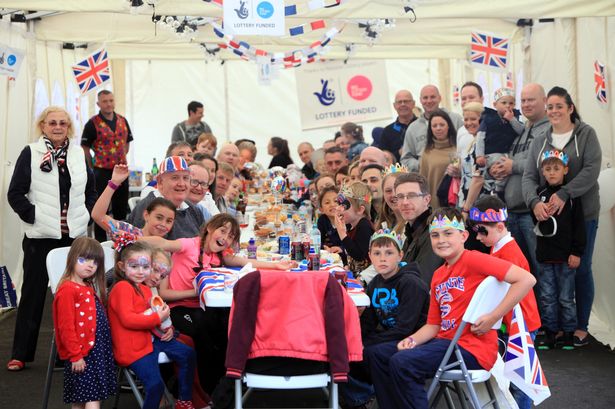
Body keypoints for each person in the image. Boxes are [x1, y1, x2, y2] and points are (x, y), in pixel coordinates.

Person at [366, 207, 535, 409]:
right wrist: (411, 339)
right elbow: (434, 325)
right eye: (435, 235)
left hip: (471, 348)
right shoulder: (438, 275)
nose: (441, 240)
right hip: (444, 344)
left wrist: (493, 317)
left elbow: (526, 279)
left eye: (448, 233)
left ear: (463, 236)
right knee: (376, 353)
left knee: (403, 362)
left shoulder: (474, 259)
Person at [143, 214, 295, 393]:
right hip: (179, 308)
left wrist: (276, 266)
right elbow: (163, 244)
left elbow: (246, 262)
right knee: (203, 332)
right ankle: (207, 389)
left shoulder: (219, 256)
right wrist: (131, 237)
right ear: (209, 228)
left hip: (203, 307)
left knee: (229, 326)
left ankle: (228, 382)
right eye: (222, 231)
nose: (225, 238)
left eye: (230, 236)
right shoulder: (189, 245)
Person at [7, 106, 97, 372]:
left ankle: (67, 353)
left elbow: (90, 190)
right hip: (40, 237)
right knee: (33, 296)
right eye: (52, 123)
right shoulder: (31, 153)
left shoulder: (79, 155)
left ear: (68, 127)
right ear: (43, 126)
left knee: (71, 298)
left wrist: (86, 215)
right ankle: (20, 353)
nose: (57, 127)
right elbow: (15, 193)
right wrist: (34, 216)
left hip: (73, 238)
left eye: (62, 123)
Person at [522, 86, 601, 347]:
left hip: (582, 215)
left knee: (580, 268)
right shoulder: (540, 139)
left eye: (559, 106)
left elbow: (591, 169)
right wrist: (533, 201)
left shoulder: (586, 134)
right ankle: (555, 327)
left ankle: (580, 326)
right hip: (547, 223)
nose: (554, 111)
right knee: (549, 274)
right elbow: (529, 177)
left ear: (570, 108)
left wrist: (566, 193)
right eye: (551, 107)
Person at [468, 196, 541, 409]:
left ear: (500, 226)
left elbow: (514, 290)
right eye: (476, 231)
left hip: (521, 324)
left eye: (483, 231)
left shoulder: (509, 252)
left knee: (520, 381)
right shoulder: (498, 246)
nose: (478, 237)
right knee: (514, 378)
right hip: (513, 322)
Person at [107, 240, 196, 409]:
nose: (142, 272)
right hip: (133, 349)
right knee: (155, 386)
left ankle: (184, 401)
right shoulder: (123, 288)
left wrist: (168, 328)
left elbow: (152, 316)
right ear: (122, 267)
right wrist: (158, 318)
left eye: (145, 267)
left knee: (188, 354)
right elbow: (129, 319)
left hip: (150, 340)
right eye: (135, 266)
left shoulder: (144, 288)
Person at [489, 83, 550, 279]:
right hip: (513, 212)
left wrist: (511, 166)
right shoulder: (521, 130)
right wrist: (497, 169)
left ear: (544, 101)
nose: (526, 104)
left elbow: (542, 163)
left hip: (532, 213)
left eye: (531, 99)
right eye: (523, 100)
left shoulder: (549, 129)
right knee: (520, 271)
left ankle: (542, 311)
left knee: (541, 270)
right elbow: (510, 158)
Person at [362, 229, 429, 407]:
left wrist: (369, 342)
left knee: (374, 352)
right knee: (354, 351)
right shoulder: (375, 282)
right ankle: (361, 398)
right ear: (370, 256)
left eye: (389, 253)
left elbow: (405, 328)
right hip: (393, 336)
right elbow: (368, 323)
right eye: (377, 253)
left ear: (400, 255)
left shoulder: (411, 283)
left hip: (416, 339)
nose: (382, 258)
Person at [52, 237, 116, 408]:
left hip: (95, 352)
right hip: (83, 354)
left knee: (82, 398)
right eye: (83, 259)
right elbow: (66, 327)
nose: (90, 265)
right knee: (90, 398)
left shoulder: (86, 285)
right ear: (72, 258)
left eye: (95, 262)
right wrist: (75, 355)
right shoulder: (67, 290)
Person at [533, 150, 585, 349]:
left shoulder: (572, 197)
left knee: (565, 297)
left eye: (556, 168)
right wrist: (539, 213)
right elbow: (536, 224)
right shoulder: (539, 196)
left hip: (566, 257)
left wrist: (576, 252)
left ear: (566, 170)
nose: (552, 173)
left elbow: (579, 226)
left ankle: (569, 333)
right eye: (548, 169)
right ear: (543, 172)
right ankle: (551, 333)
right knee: (547, 296)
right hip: (546, 256)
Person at [81, 90, 133, 242]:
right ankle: (101, 242)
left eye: (111, 100)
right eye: (105, 101)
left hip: (121, 172)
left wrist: (121, 155)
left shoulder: (123, 120)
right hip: (101, 172)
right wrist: (91, 165)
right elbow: (85, 147)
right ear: (98, 104)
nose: (109, 104)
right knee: (100, 210)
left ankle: (122, 240)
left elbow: (127, 142)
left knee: (121, 209)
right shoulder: (92, 123)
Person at [128, 156, 204, 240]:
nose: (182, 184)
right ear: (160, 182)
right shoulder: (149, 207)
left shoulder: (193, 209)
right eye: (175, 178)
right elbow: (143, 248)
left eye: (185, 178)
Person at [93, 164, 177, 238]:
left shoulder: (169, 243)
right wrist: (114, 183)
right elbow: (98, 216)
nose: (163, 224)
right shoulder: (130, 233)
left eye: (169, 221)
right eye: (159, 217)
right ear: (146, 215)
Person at [401, 85, 464, 172]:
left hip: (453, 177)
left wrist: (456, 165)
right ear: (420, 100)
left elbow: (465, 148)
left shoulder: (456, 119)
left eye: (433, 97)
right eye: (425, 98)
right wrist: (424, 164)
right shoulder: (413, 128)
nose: (429, 101)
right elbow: (406, 159)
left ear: (440, 98)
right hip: (427, 179)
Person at [475, 88, 524, 198]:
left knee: (507, 167)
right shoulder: (488, 118)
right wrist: (479, 155)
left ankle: (497, 189)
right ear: (495, 104)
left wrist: (512, 120)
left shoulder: (515, 118)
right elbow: (480, 137)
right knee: (502, 166)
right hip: (491, 153)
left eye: (511, 103)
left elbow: (521, 131)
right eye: (504, 103)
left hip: (506, 153)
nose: (508, 106)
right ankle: (497, 190)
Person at [394, 173, 442, 284]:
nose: (405, 202)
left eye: (411, 196)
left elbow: (422, 281)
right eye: (400, 197)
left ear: (427, 199)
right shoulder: (412, 230)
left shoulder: (435, 232)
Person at [334, 182, 375, 279]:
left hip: (365, 280)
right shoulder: (351, 226)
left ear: (360, 210)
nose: (338, 208)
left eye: (344, 206)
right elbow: (348, 252)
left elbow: (359, 255)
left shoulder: (364, 226)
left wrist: (342, 234)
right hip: (354, 275)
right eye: (339, 204)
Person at [418, 109, 457, 208]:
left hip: (456, 200)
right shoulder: (427, 152)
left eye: (442, 125)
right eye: (434, 126)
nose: (438, 128)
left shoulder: (458, 148)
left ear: (448, 126)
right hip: (435, 204)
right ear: (430, 129)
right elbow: (422, 181)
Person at [380, 90, 418, 161]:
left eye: (406, 101)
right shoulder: (387, 131)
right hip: (398, 170)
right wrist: (398, 153)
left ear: (413, 104)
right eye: (399, 102)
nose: (403, 104)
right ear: (394, 106)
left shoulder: (423, 125)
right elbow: (383, 157)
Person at [316, 186, 346, 264]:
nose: (332, 205)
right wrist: (324, 247)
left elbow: (351, 242)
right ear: (321, 209)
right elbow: (318, 240)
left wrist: (341, 248)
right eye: (327, 202)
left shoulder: (347, 219)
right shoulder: (322, 220)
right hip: (328, 258)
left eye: (336, 201)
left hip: (345, 257)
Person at [376, 164, 408, 232]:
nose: (394, 194)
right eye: (388, 191)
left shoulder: (413, 225)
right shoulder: (382, 224)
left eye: (398, 189)